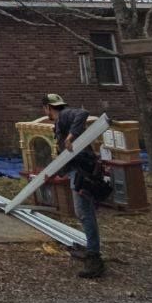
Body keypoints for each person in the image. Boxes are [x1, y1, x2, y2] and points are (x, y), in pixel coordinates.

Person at [44, 93, 105, 278]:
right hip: (76, 171)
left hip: (83, 172)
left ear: (47, 107)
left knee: (84, 212)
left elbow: (83, 113)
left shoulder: (65, 115)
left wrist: (70, 137)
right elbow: (66, 158)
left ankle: (94, 257)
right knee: (83, 212)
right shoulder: (59, 124)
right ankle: (91, 249)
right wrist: (53, 173)